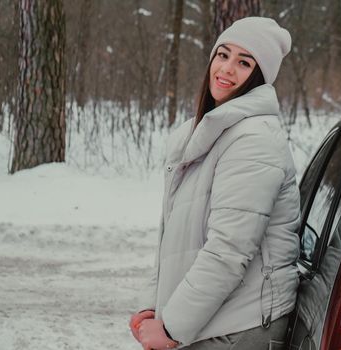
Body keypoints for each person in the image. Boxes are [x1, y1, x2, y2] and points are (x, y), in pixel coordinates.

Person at [129, 17, 300, 350]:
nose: (227, 69)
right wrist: (151, 306)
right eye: (223, 55)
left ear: (259, 76)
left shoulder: (254, 141)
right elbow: (171, 241)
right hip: (206, 320)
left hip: (239, 326)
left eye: (244, 62)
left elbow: (228, 250)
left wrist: (172, 328)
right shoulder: (200, 137)